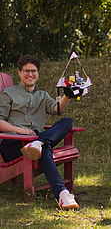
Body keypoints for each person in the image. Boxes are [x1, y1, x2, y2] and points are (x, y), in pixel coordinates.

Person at [0, 54, 79, 209]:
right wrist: (22, 131)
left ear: (38, 73)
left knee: (67, 121)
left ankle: (39, 142)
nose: (30, 74)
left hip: (34, 142)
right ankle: (62, 193)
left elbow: (57, 109)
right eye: (26, 71)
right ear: (19, 72)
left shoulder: (42, 95)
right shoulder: (8, 93)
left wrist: (67, 95)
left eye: (34, 71)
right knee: (44, 147)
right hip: (13, 143)